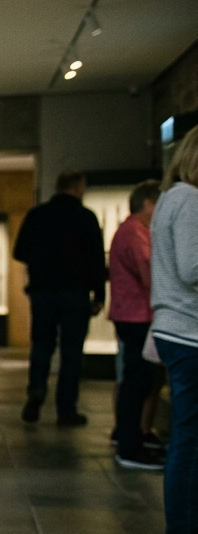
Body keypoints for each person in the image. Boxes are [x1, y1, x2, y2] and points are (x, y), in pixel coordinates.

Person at [13, 172, 107, 425]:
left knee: (42, 345)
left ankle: (36, 391)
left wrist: (41, 264)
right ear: (79, 187)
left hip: (43, 292)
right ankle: (66, 409)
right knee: (72, 352)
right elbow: (97, 260)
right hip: (75, 293)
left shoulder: (38, 215)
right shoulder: (85, 217)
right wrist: (99, 294)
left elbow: (19, 250)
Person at [151, 127, 198, 534]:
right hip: (188, 331)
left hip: (178, 328)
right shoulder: (187, 198)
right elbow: (192, 266)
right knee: (189, 440)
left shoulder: (171, 197)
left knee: (188, 439)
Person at [110, 180, 165, 470]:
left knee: (135, 380)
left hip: (133, 314)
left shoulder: (133, 230)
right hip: (136, 315)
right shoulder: (135, 232)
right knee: (136, 382)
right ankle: (130, 446)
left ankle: (128, 437)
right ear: (148, 204)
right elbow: (150, 272)